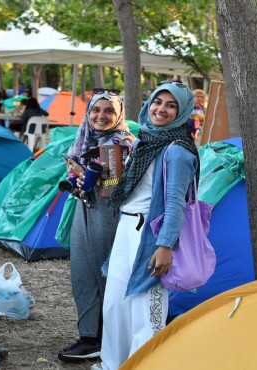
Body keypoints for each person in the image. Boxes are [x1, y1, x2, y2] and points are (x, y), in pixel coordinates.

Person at [97, 81, 199, 370]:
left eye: (171, 105)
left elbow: (175, 202)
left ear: (182, 112)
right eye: (157, 102)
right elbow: (128, 189)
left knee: (146, 307)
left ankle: (146, 365)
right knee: (115, 303)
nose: (161, 110)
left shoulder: (178, 150)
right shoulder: (144, 140)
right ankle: (112, 364)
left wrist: (166, 245)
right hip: (126, 227)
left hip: (150, 234)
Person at [57, 89, 136, 363]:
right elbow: (73, 171)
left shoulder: (125, 143)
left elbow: (120, 189)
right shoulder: (83, 137)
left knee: (106, 273)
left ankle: (109, 338)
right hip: (85, 207)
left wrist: (96, 179)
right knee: (81, 271)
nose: (101, 116)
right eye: (96, 110)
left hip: (110, 213)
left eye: (109, 111)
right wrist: (77, 179)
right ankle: (88, 336)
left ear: (119, 115)